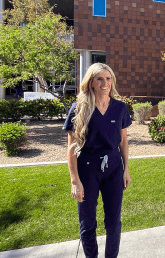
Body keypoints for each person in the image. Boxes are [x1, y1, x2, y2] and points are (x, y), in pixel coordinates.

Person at [63, 63, 132, 258]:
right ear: (91, 82)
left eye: (108, 78)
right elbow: (71, 148)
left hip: (113, 168)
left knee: (113, 223)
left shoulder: (119, 107)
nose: (105, 83)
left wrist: (126, 170)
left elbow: (124, 141)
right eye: (100, 79)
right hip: (87, 168)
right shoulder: (79, 109)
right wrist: (74, 180)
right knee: (87, 223)